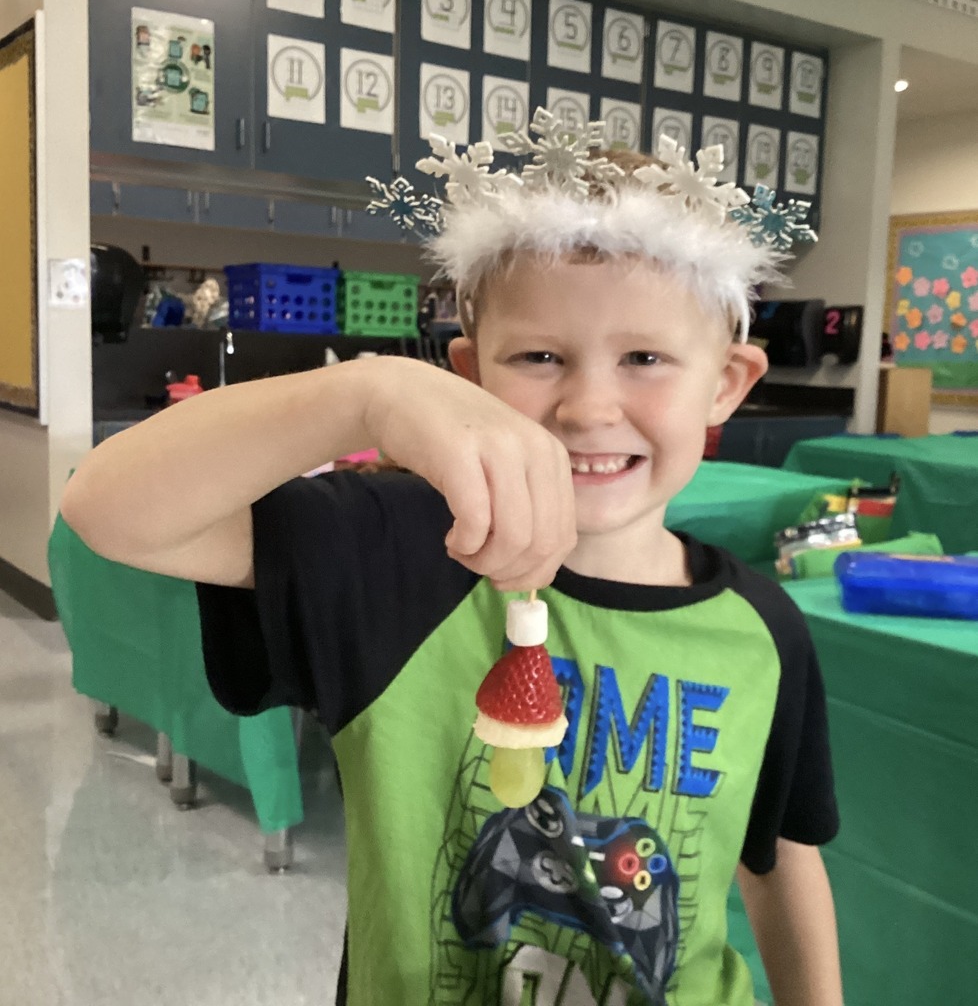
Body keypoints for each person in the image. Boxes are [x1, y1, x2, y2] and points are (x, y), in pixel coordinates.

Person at [61, 110, 842, 1006]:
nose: (590, 406)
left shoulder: (763, 630)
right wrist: (365, 392)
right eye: (541, 355)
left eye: (646, 357)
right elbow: (106, 508)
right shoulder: (391, 551)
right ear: (469, 373)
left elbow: (778, 857)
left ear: (728, 384)